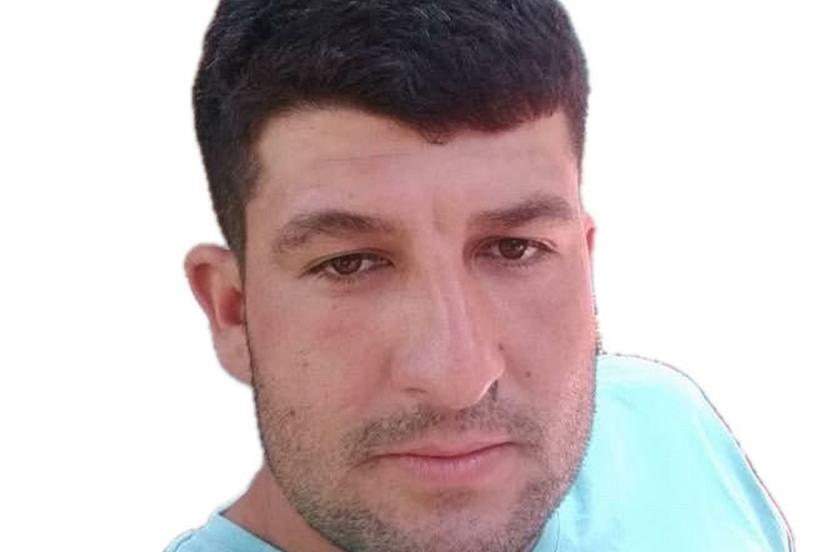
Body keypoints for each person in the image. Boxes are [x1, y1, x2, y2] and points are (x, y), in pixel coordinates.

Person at [167, 1, 792, 550]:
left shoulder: (664, 428)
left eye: (515, 249)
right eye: (349, 263)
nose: (457, 379)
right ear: (233, 312)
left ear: (585, 264)